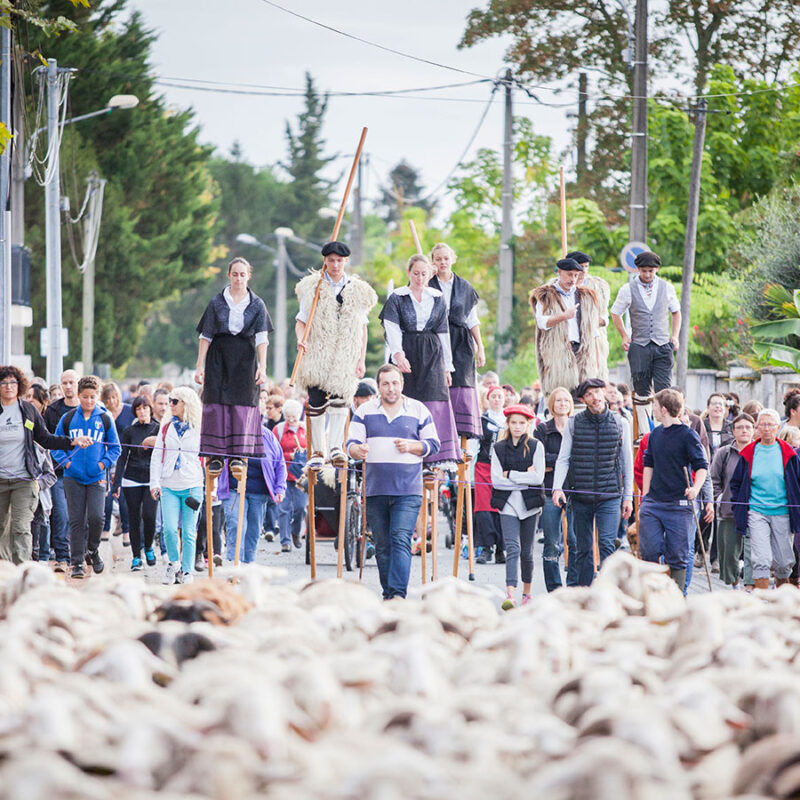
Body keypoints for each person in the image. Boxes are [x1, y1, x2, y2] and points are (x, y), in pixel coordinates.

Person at [346, 364, 441, 600]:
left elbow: (434, 444)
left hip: (408, 490)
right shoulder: (365, 411)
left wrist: (413, 446)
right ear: (378, 387)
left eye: (395, 382)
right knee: (382, 544)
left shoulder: (418, 410)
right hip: (375, 488)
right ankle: (388, 593)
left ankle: (398, 594)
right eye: (386, 383)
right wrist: (359, 450)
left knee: (400, 537)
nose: (391, 388)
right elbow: (350, 445)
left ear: (402, 384)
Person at [295, 241, 377, 471]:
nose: (335, 264)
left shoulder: (355, 290)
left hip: (345, 353)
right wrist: (302, 339)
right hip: (318, 350)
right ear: (325, 261)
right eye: (331, 260)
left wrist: (360, 359)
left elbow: (362, 327)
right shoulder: (313, 287)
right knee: (317, 400)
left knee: (342, 398)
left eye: (339, 261)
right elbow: (301, 321)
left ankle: (336, 448)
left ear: (345, 262)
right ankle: (318, 451)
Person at [0, 366, 89, 564]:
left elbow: (45, 439)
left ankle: (22, 568)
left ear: (19, 385)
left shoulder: (28, 410)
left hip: (24, 479)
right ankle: (5, 572)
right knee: (2, 529)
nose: (8, 387)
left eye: (12, 383)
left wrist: (72, 441)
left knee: (21, 526)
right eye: (3, 383)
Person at [379, 253, 460, 466]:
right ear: (408, 273)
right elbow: (392, 327)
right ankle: (404, 447)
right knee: (405, 397)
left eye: (424, 274)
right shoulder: (397, 297)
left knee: (434, 397)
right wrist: (398, 354)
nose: (420, 277)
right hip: (406, 348)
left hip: (432, 353)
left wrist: (447, 367)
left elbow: (443, 332)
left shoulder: (437, 297)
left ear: (430, 274)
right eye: (416, 273)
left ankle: (433, 458)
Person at [552, 378, 633, 586]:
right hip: (580, 495)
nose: (594, 397)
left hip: (610, 495)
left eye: (597, 392)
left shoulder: (620, 422)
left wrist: (628, 497)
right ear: (583, 399)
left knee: (607, 545)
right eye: (588, 394)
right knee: (583, 548)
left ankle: (608, 591)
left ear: (604, 392)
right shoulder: (574, 422)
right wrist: (557, 488)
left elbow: (627, 463)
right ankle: (584, 592)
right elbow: (564, 458)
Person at [195, 256, 273, 473]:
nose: (239, 278)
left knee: (242, 401)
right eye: (235, 274)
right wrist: (199, 365)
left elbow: (262, 337)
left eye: (243, 274)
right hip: (218, 356)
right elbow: (206, 335)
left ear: (249, 276)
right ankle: (216, 455)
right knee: (217, 400)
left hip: (245, 358)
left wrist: (263, 367)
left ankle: (239, 455)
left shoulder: (257, 304)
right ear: (229, 275)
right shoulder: (217, 302)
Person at [639, 389, 709, 588]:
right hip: (653, 503)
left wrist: (695, 488)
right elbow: (648, 464)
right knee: (649, 551)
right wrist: (645, 496)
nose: (652, 410)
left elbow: (702, 467)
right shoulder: (655, 435)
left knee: (677, 555)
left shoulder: (688, 436)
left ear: (663, 409)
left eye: (654, 406)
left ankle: (677, 596)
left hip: (679, 505)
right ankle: (652, 593)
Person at [53, 375, 121, 579]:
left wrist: (102, 464)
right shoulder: (68, 418)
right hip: (72, 477)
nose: (89, 401)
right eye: (85, 397)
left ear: (97, 396)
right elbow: (57, 445)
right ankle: (76, 563)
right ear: (78, 395)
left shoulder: (104, 418)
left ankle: (92, 550)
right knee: (76, 521)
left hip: (97, 477)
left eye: (92, 397)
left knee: (96, 517)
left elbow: (115, 448)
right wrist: (67, 464)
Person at [610, 251, 681, 434]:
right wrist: (625, 336)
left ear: (657, 269)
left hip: (662, 344)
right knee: (641, 388)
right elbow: (615, 313)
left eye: (651, 270)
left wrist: (675, 336)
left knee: (664, 388)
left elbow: (676, 312)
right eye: (644, 270)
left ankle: (664, 429)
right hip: (639, 345)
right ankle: (644, 432)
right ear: (638, 269)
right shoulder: (628, 289)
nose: (647, 274)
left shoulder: (667, 287)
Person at [730, 408, 800, 590]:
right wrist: (738, 506)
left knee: (783, 562)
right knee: (760, 559)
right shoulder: (749, 453)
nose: (766, 428)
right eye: (762, 424)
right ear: (757, 428)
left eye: (770, 424)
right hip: (757, 511)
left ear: (778, 427)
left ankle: (780, 600)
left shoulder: (789, 453)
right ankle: (762, 600)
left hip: (783, 511)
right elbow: (736, 483)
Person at [490, 404, 545, 609]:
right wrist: (525, 476)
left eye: (522, 423)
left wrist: (511, 474)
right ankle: (510, 593)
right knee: (512, 547)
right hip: (507, 504)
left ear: (528, 424)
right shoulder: (498, 448)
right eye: (513, 422)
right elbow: (496, 480)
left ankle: (527, 592)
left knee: (527, 552)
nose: (517, 426)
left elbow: (538, 477)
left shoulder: (536, 445)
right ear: (507, 424)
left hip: (530, 504)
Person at [428, 242, 485, 439]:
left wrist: (480, 346)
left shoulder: (465, 287)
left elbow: (472, 319)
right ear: (432, 262)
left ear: (452, 259)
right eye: (438, 259)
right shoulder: (427, 283)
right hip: (435, 341)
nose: (442, 262)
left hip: (460, 342)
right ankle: (438, 433)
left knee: (461, 385)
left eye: (445, 258)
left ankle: (462, 440)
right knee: (438, 385)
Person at [150, 387, 204, 585]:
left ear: (186, 404)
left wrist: (212, 489)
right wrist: (154, 483)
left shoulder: (199, 428)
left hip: (192, 485)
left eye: (175, 401)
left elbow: (207, 457)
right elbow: (157, 456)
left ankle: (187, 571)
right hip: (169, 485)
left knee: (189, 531)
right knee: (170, 529)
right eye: (170, 401)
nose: (170, 405)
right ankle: (174, 564)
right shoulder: (166, 428)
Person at [529, 258, 604, 395]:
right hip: (557, 353)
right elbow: (542, 322)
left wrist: (597, 360)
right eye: (569, 274)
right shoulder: (545, 295)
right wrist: (564, 316)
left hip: (584, 352)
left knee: (584, 395)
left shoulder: (586, 296)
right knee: (560, 395)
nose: (573, 279)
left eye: (576, 275)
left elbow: (593, 331)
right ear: (559, 272)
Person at [218, 421, 286, 564]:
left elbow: (280, 462)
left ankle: (248, 563)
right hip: (234, 489)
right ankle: (234, 563)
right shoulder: (230, 433)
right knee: (236, 523)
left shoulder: (267, 435)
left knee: (253, 530)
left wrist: (280, 487)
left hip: (259, 492)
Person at [534, 387, 578, 591]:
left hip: (576, 489)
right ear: (552, 404)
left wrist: (558, 461)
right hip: (550, 489)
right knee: (552, 543)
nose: (562, 404)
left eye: (566, 400)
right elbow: (539, 461)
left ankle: (574, 585)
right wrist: (563, 460)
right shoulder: (542, 430)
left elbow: (580, 458)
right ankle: (554, 588)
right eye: (558, 400)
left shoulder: (578, 427)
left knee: (575, 540)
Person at [112, 396, 160, 571]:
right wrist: (116, 482)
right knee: (133, 518)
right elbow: (123, 457)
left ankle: (148, 546)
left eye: (145, 408)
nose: (142, 411)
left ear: (150, 409)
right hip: (131, 478)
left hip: (151, 479)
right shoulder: (129, 431)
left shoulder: (158, 428)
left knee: (149, 516)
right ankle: (136, 556)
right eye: (138, 409)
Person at [711, 412, 755, 589]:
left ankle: (751, 587)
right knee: (729, 554)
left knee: (753, 553)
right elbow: (713, 479)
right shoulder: (724, 453)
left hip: (755, 509)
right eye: (740, 427)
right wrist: (720, 498)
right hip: (729, 511)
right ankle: (734, 584)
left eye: (748, 427)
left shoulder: (759, 452)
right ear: (733, 431)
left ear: (753, 430)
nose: (744, 431)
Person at [43, 368, 80, 569]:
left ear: (78, 383)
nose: (67, 386)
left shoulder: (87, 408)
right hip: (59, 471)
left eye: (71, 382)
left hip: (83, 472)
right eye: (64, 382)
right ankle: (62, 556)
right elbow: (47, 440)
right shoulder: (53, 410)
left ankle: (81, 554)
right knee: (61, 514)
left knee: (82, 516)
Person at [565, 249, 610, 383]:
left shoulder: (598, 287)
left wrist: (586, 321)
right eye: (580, 267)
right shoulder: (556, 288)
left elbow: (604, 318)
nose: (584, 271)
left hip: (592, 340)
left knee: (592, 380)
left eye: (586, 267)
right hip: (566, 341)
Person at [474, 385, 506, 565]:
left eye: (499, 396)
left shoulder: (509, 420)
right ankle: (487, 547)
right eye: (493, 396)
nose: (496, 399)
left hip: (503, 468)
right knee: (484, 509)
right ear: (488, 399)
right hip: (483, 467)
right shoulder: (481, 420)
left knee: (501, 507)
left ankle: (501, 549)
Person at [101, 381, 133, 545]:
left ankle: (126, 531)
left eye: (114, 397)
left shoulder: (128, 411)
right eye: (108, 398)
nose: (112, 401)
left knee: (122, 496)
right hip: (107, 457)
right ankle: (105, 528)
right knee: (106, 496)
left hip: (125, 459)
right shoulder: (103, 413)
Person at [274, 398, 307, 552]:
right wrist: (289, 456)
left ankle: (295, 532)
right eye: (288, 416)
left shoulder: (306, 429)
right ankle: (285, 540)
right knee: (284, 508)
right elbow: (274, 451)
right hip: (284, 475)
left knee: (301, 507)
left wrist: (301, 456)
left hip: (301, 475)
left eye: (293, 417)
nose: (291, 420)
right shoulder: (279, 429)